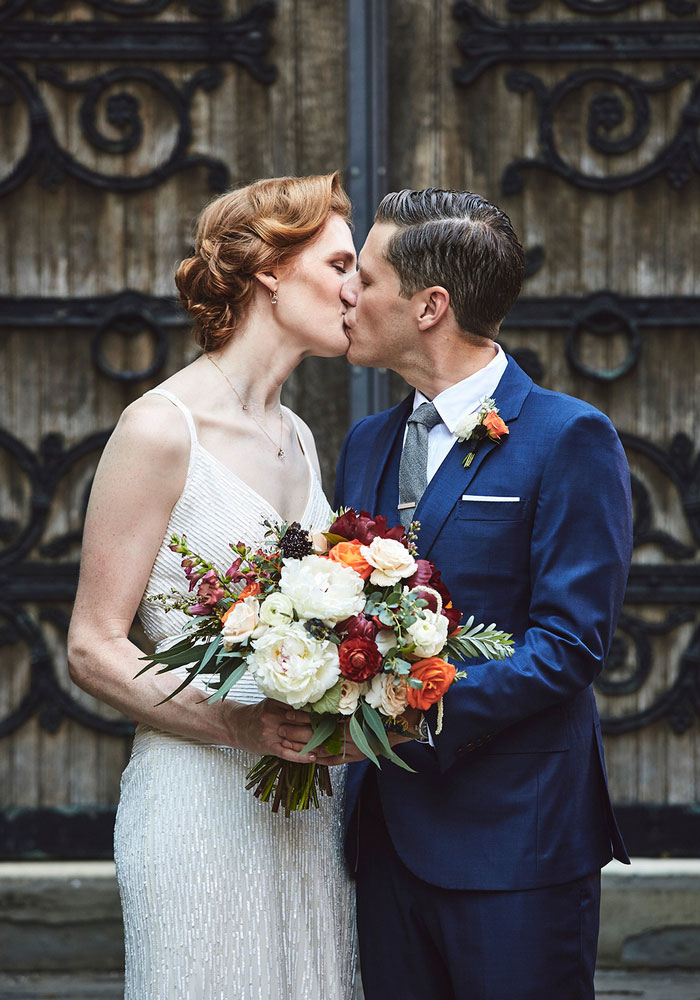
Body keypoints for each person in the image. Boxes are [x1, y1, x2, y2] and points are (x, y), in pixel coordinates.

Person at [67, 173, 361, 999]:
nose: (357, 288)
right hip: (198, 801)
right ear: (271, 268)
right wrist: (234, 724)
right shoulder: (161, 429)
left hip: (305, 808)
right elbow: (91, 646)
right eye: (340, 263)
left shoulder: (297, 435)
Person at [335, 188, 633, 1000]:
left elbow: (570, 643)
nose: (345, 294)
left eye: (363, 277)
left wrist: (409, 707)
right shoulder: (366, 442)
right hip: (385, 839)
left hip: (516, 841)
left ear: (430, 306)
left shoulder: (568, 438)